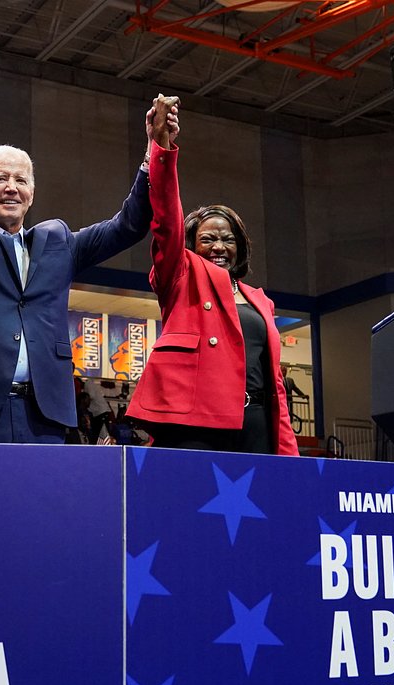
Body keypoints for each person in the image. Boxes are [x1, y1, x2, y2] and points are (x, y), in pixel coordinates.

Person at [0, 65, 155, 443]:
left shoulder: (59, 242)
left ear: (32, 194)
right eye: (0, 179)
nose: (11, 188)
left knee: (41, 503)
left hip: (44, 414)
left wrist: (154, 153)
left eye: (21, 180)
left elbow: (130, 224)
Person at [125, 97, 297, 456]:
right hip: (197, 424)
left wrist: (287, 450)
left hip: (257, 425)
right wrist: (162, 147)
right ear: (192, 245)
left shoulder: (259, 300)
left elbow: (276, 384)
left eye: (227, 238)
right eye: (208, 238)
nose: (219, 246)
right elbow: (166, 219)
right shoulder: (182, 274)